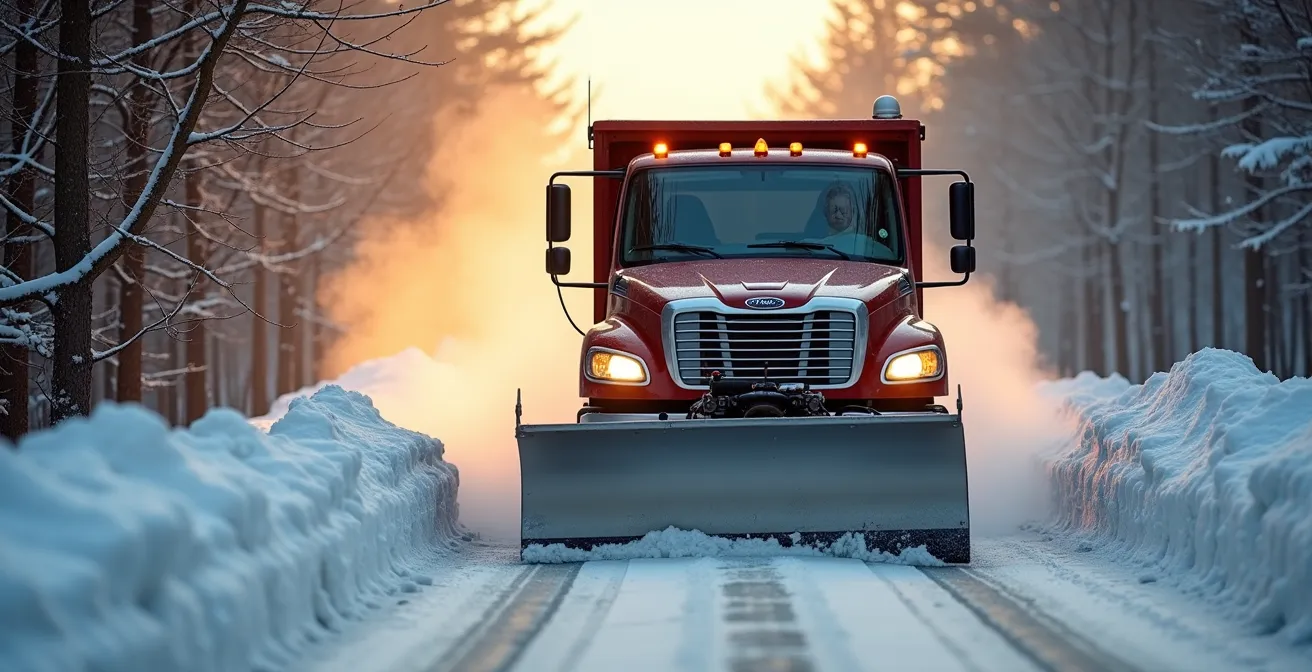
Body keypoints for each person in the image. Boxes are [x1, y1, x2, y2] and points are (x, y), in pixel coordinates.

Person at [810, 182, 893, 257]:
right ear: (826, 212)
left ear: (852, 211)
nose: (838, 215)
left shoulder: (866, 245)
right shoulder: (807, 246)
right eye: (834, 210)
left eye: (843, 211)